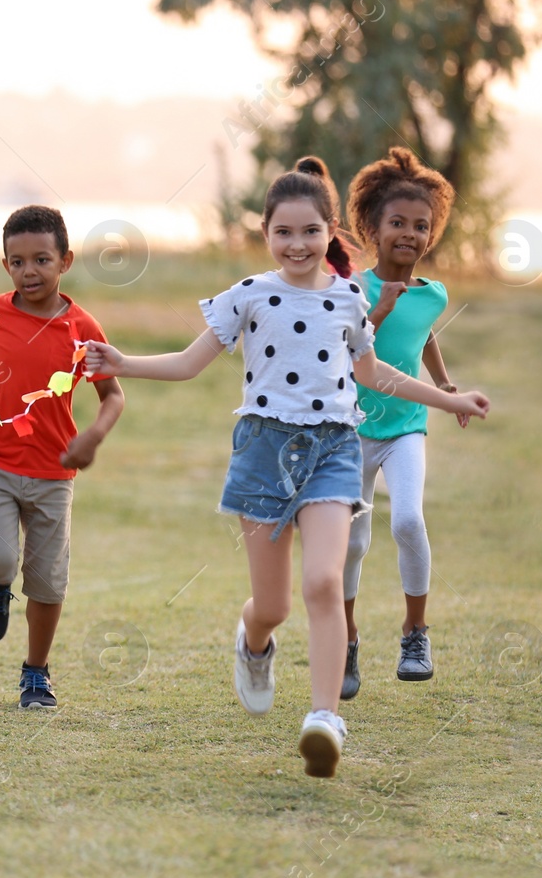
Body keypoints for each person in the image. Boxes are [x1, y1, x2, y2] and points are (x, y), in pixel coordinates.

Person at [81, 157, 489, 778]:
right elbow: (191, 363)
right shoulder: (248, 296)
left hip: (332, 449)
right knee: (272, 606)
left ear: (331, 232)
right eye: (283, 233)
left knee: (323, 582)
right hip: (264, 452)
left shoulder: (352, 299)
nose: (296, 245)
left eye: (309, 232)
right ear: (267, 236)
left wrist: (449, 396)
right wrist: (122, 363)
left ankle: (325, 720)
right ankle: (254, 642)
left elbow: (375, 375)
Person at [0, 205, 124, 709]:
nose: (30, 272)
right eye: (17, 261)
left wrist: (93, 436)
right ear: (6, 266)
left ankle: (36, 673)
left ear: (65, 260)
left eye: (41, 260)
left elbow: (113, 396)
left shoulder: (85, 326)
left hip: (54, 471)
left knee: (47, 580)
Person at [341, 147, 462, 698]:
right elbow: (350, 347)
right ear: (372, 227)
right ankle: (345, 641)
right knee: (351, 542)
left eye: (421, 225)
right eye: (397, 223)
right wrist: (381, 306)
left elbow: (424, 332)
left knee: (408, 521)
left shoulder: (433, 294)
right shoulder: (352, 291)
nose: (409, 234)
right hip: (350, 430)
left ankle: (416, 631)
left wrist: (442, 383)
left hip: (406, 429)